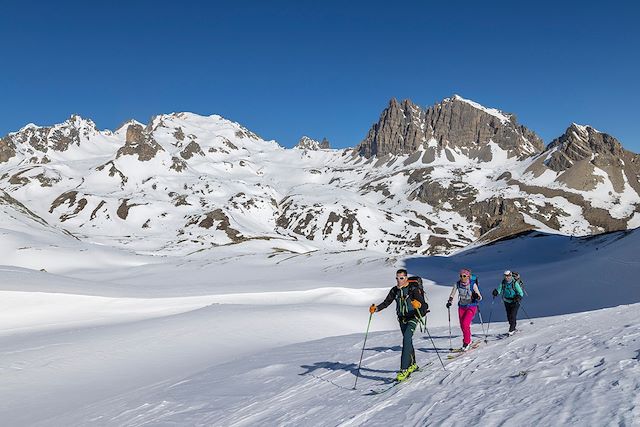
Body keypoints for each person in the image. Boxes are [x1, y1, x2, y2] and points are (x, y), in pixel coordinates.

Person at [369, 269, 428, 382]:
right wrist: (376, 309)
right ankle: (413, 364)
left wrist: (418, 304)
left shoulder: (413, 289)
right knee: (408, 341)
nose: (399, 280)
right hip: (401, 319)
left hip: (413, 317)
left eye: (401, 278)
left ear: (406, 278)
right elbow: (386, 302)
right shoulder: (394, 290)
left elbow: (424, 305)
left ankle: (404, 369)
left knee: (406, 339)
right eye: (397, 278)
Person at [446, 268, 482, 350]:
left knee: (465, 324)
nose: (462, 277)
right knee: (463, 326)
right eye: (461, 276)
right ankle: (468, 339)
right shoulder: (457, 284)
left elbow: (480, 297)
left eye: (464, 276)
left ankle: (466, 342)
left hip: (471, 306)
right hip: (462, 307)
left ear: (468, 276)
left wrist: (477, 296)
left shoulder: (473, 284)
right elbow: (452, 293)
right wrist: (449, 301)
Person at [492, 270, 524, 335]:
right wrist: (496, 292)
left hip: (515, 301)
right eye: (505, 276)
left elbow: (521, 292)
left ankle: (511, 329)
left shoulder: (514, 283)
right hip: (506, 301)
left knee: (513, 315)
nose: (507, 277)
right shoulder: (503, 283)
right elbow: (499, 290)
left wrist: (518, 297)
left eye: (508, 276)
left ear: (510, 275)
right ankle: (513, 328)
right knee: (509, 316)